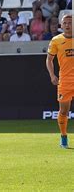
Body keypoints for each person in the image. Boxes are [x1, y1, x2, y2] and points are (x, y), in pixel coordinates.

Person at [46, 14, 73, 148]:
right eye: (65, 23)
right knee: (63, 111)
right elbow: (49, 59)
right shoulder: (56, 40)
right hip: (65, 81)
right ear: (61, 25)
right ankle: (63, 136)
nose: (68, 25)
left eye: (70, 23)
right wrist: (52, 75)